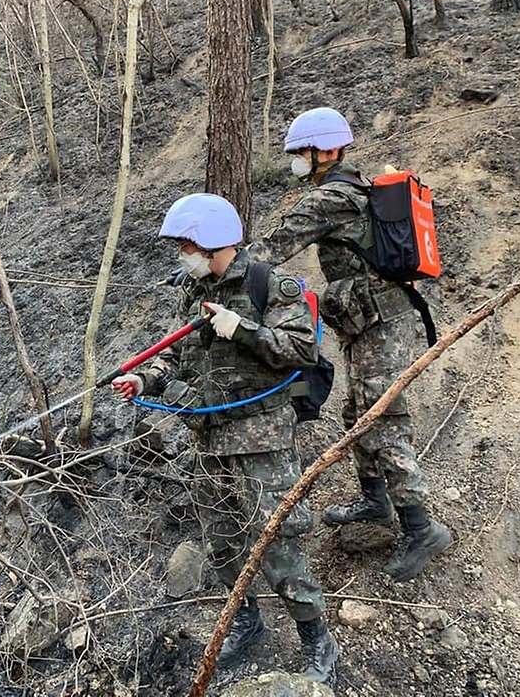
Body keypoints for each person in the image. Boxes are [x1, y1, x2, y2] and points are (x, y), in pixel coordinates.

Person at [112, 192, 338, 687]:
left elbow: (301, 349)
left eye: (186, 246)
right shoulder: (191, 293)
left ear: (212, 243)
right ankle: (246, 621)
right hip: (209, 437)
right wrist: (145, 381)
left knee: (276, 541)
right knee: (221, 539)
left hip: (261, 440)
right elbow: (179, 356)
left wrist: (243, 329)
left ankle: (315, 636)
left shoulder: (270, 286)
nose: (181, 256)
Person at [248, 107, 451, 583]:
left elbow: (272, 247)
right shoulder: (351, 188)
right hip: (367, 323)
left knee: (384, 420)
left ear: (330, 151)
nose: (297, 160)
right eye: (297, 153)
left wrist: (222, 264)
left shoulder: (332, 197)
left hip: (382, 324)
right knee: (358, 415)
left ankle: (422, 528)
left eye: (303, 152)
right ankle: (375, 502)